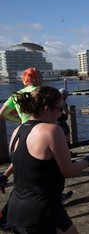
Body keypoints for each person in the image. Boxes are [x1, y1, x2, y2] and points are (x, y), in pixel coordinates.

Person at [7, 86, 89, 233]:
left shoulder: (17, 131)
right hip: (42, 211)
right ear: (46, 109)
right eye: (59, 109)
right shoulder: (51, 130)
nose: (61, 114)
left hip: (15, 210)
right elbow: (68, 170)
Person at [0, 67, 43, 232]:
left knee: (23, 171)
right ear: (36, 78)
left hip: (22, 133)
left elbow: (2, 114)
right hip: (38, 135)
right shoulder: (40, 92)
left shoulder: (16, 95)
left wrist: (19, 120)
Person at [57, 88, 78, 158]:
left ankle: (63, 152)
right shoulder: (62, 101)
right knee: (67, 135)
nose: (67, 97)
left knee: (60, 137)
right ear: (62, 95)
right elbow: (64, 112)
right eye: (66, 95)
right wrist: (70, 113)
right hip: (60, 121)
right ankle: (67, 153)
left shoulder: (55, 100)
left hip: (55, 121)